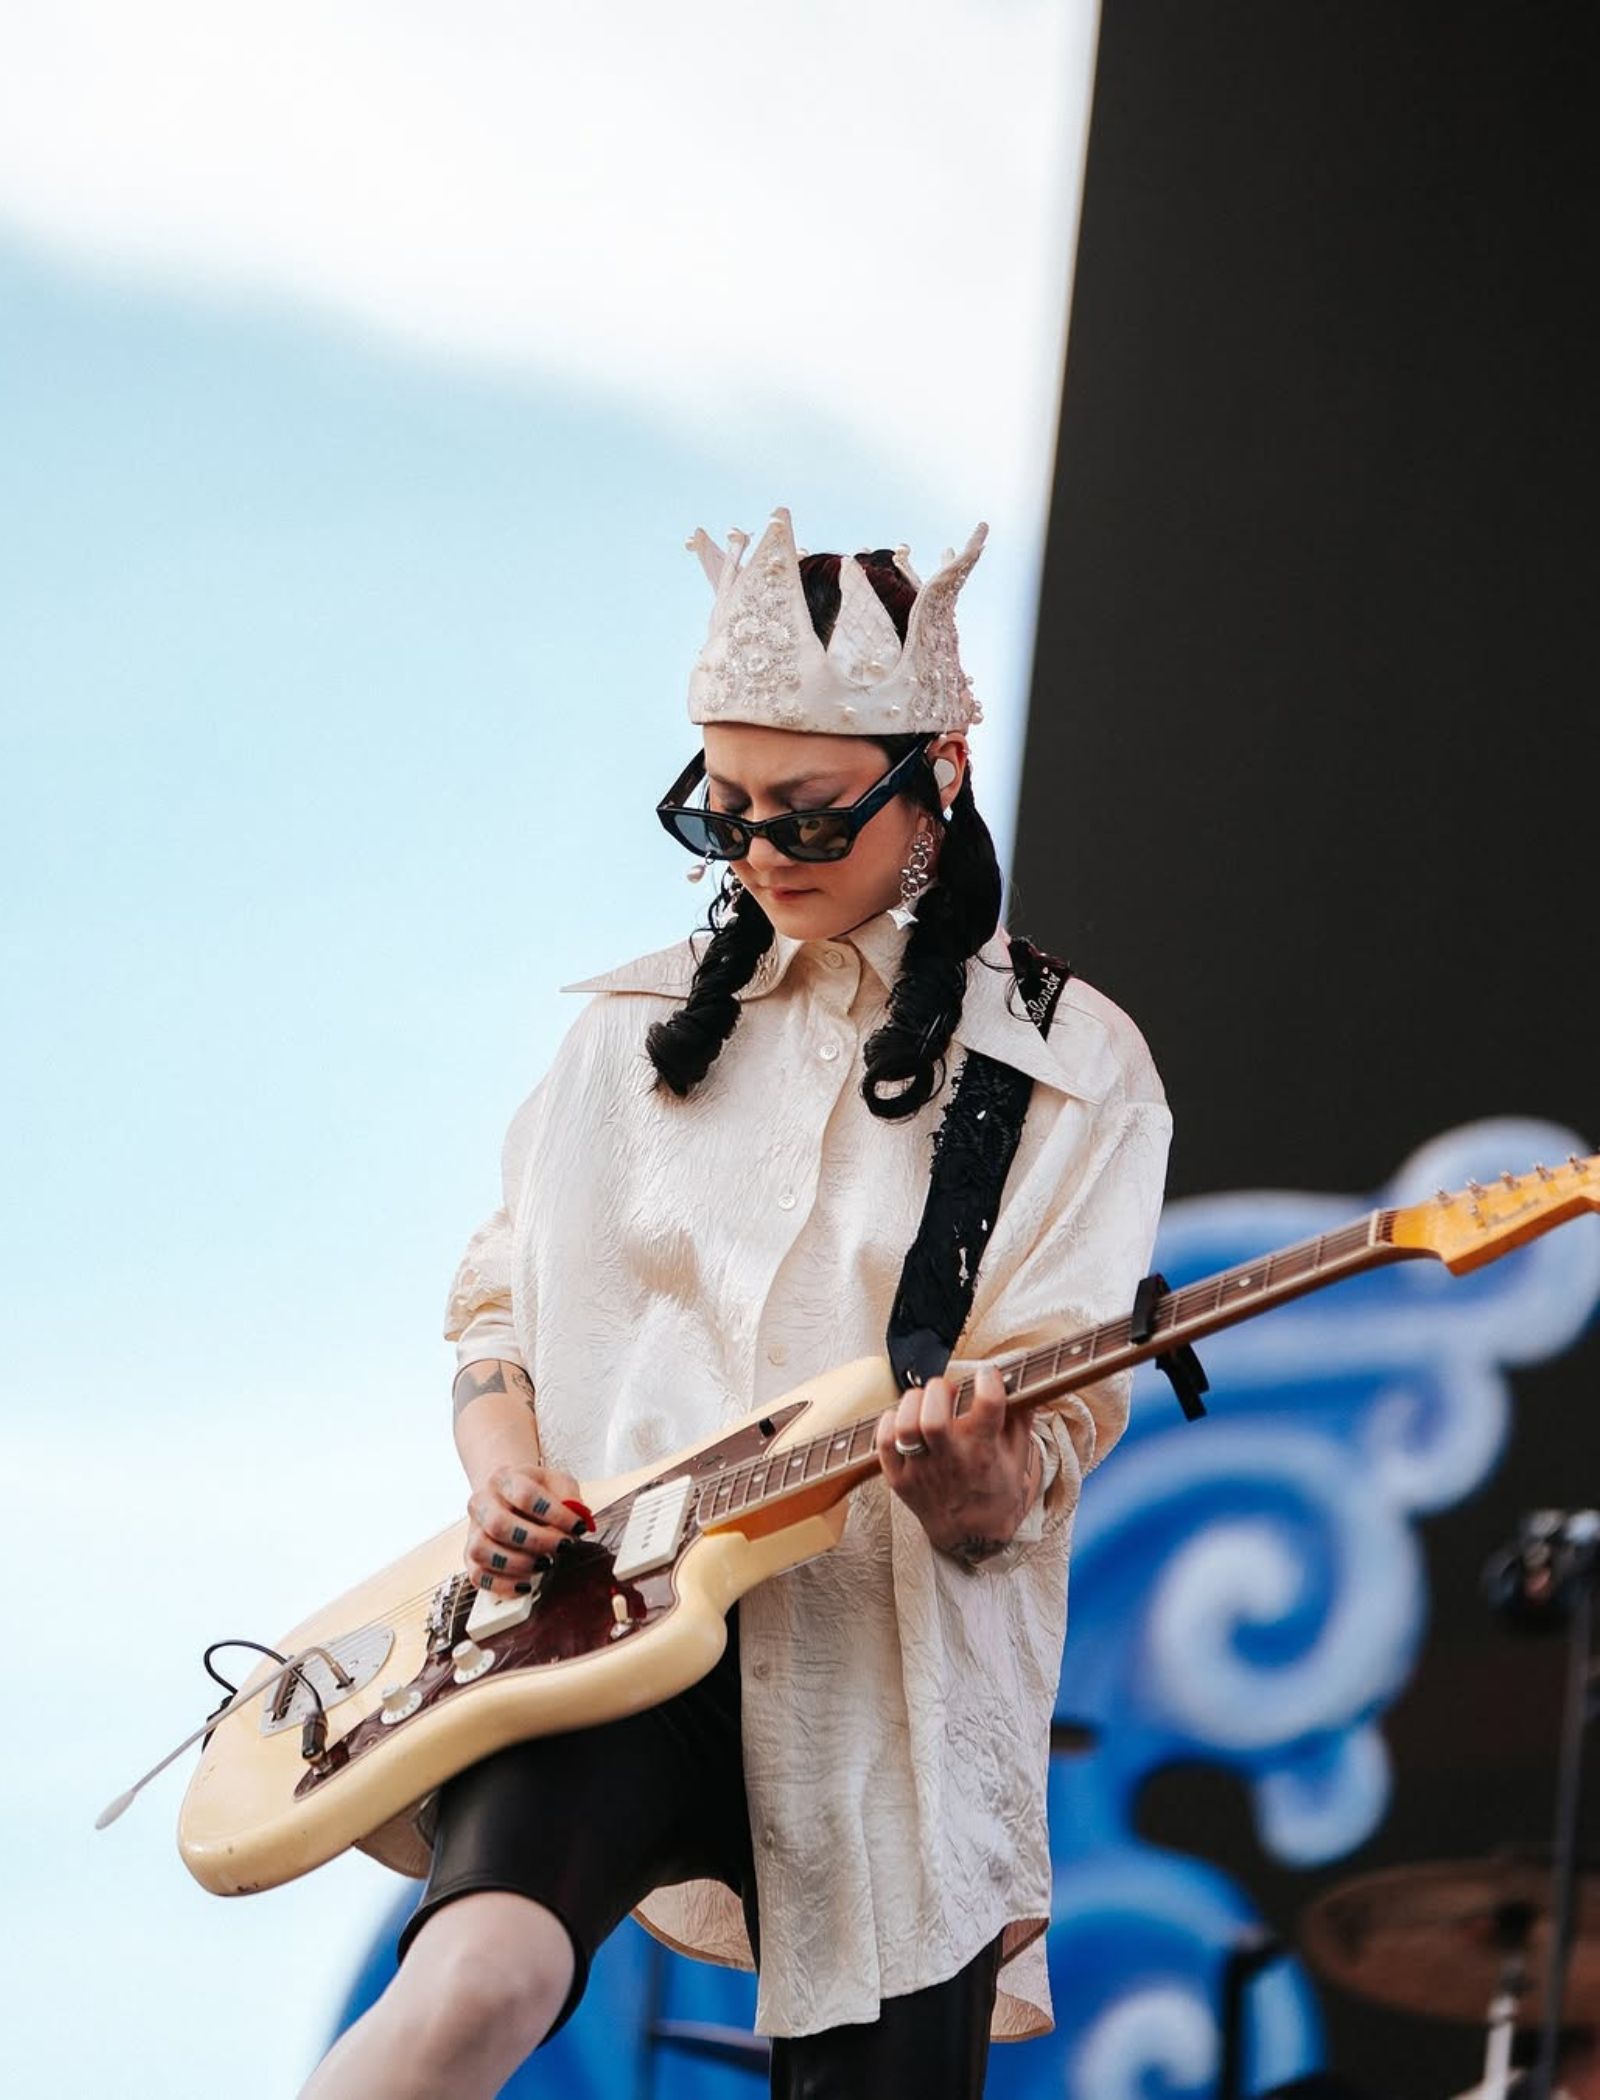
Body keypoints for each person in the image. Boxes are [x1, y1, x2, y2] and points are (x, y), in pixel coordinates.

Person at [301, 507, 1171, 2098]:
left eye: (813, 816)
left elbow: (1047, 1430)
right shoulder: (622, 1038)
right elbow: (492, 1311)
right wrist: (502, 1470)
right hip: (600, 1617)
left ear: (940, 781)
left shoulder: (1070, 1064)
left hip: (886, 1671)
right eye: (724, 815)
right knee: (467, 1986)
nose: (764, 853)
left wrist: (983, 1479)